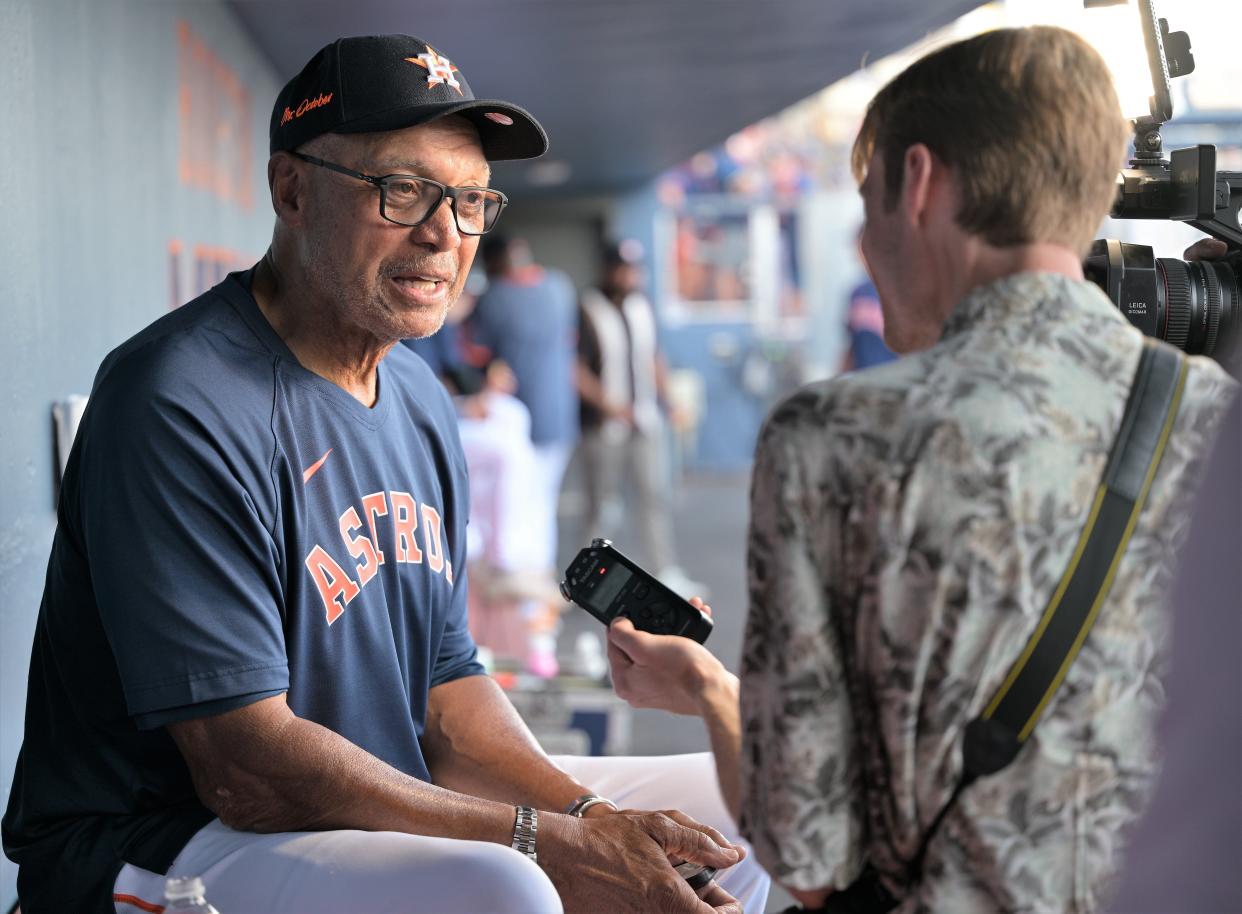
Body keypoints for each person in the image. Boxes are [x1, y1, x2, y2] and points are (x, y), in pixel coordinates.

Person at [1, 35, 768, 914]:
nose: (444, 233)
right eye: (402, 192)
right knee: (506, 885)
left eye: (471, 199)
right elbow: (247, 771)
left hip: (370, 801)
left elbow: (447, 685)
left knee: (728, 822)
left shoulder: (413, 389)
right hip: (161, 840)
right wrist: (548, 842)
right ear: (292, 190)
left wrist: (587, 818)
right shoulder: (179, 398)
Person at [604, 25, 1236, 914]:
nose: (865, 243)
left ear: (919, 183)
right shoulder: (1212, 413)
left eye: (867, 203)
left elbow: (808, 854)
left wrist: (711, 690)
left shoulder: (835, 436)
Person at [577, 239, 701, 594]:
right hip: (605, 425)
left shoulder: (641, 305)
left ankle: (665, 570)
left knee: (653, 498)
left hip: (645, 420)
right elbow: (576, 368)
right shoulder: (588, 308)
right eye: (622, 269)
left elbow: (653, 356)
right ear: (608, 270)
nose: (629, 276)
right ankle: (586, 580)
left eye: (633, 269)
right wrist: (608, 404)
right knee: (600, 504)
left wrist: (668, 398)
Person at [467, 235, 579, 571]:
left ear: (495, 262)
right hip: (561, 419)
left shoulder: (494, 298)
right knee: (542, 511)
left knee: (516, 518)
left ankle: (526, 605)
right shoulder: (560, 286)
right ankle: (539, 595)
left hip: (514, 425)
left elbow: (478, 360)